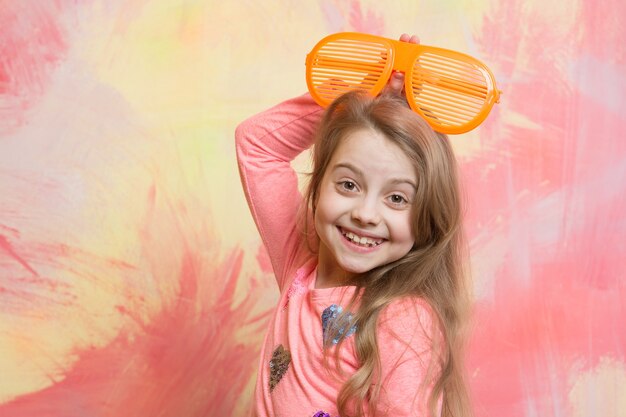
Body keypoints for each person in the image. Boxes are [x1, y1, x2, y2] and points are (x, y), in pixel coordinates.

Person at [235, 33, 472, 417]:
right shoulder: (301, 265)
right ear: (319, 184)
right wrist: (366, 88)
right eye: (348, 184)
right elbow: (256, 144)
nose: (365, 213)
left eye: (396, 198)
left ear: (426, 218)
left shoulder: (403, 320)